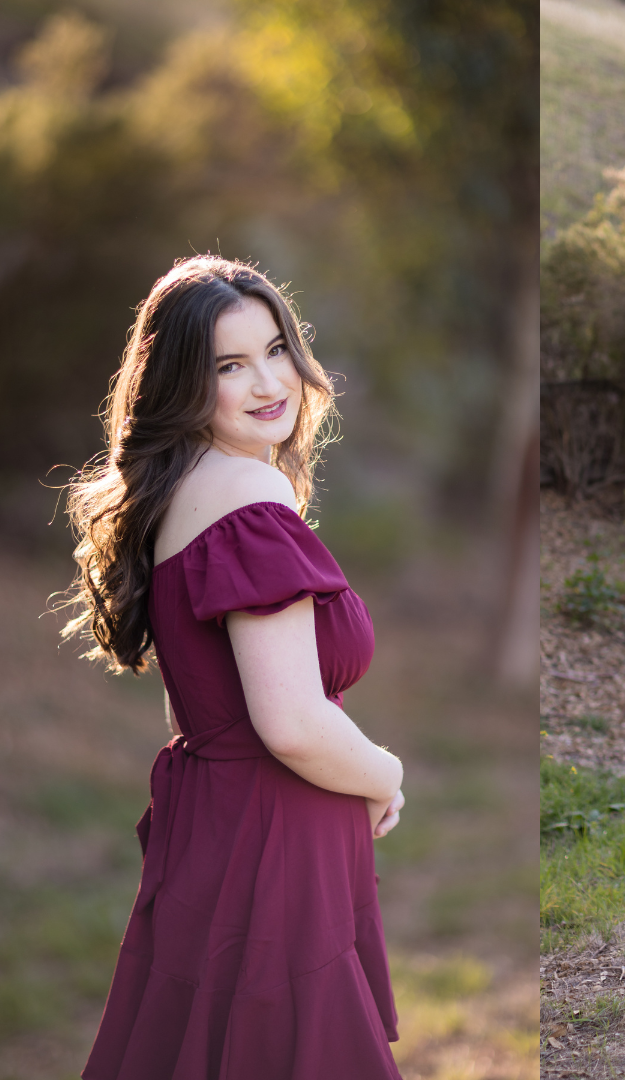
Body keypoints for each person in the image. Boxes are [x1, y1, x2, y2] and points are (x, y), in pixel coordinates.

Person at [62, 257, 406, 1079]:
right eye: (229, 365)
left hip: (218, 829)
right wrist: (384, 773)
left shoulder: (179, 488)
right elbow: (287, 721)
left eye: (276, 349)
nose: (267, 382)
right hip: (273, 838)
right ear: (183, 381)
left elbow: (201, 705)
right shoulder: (248, 498)